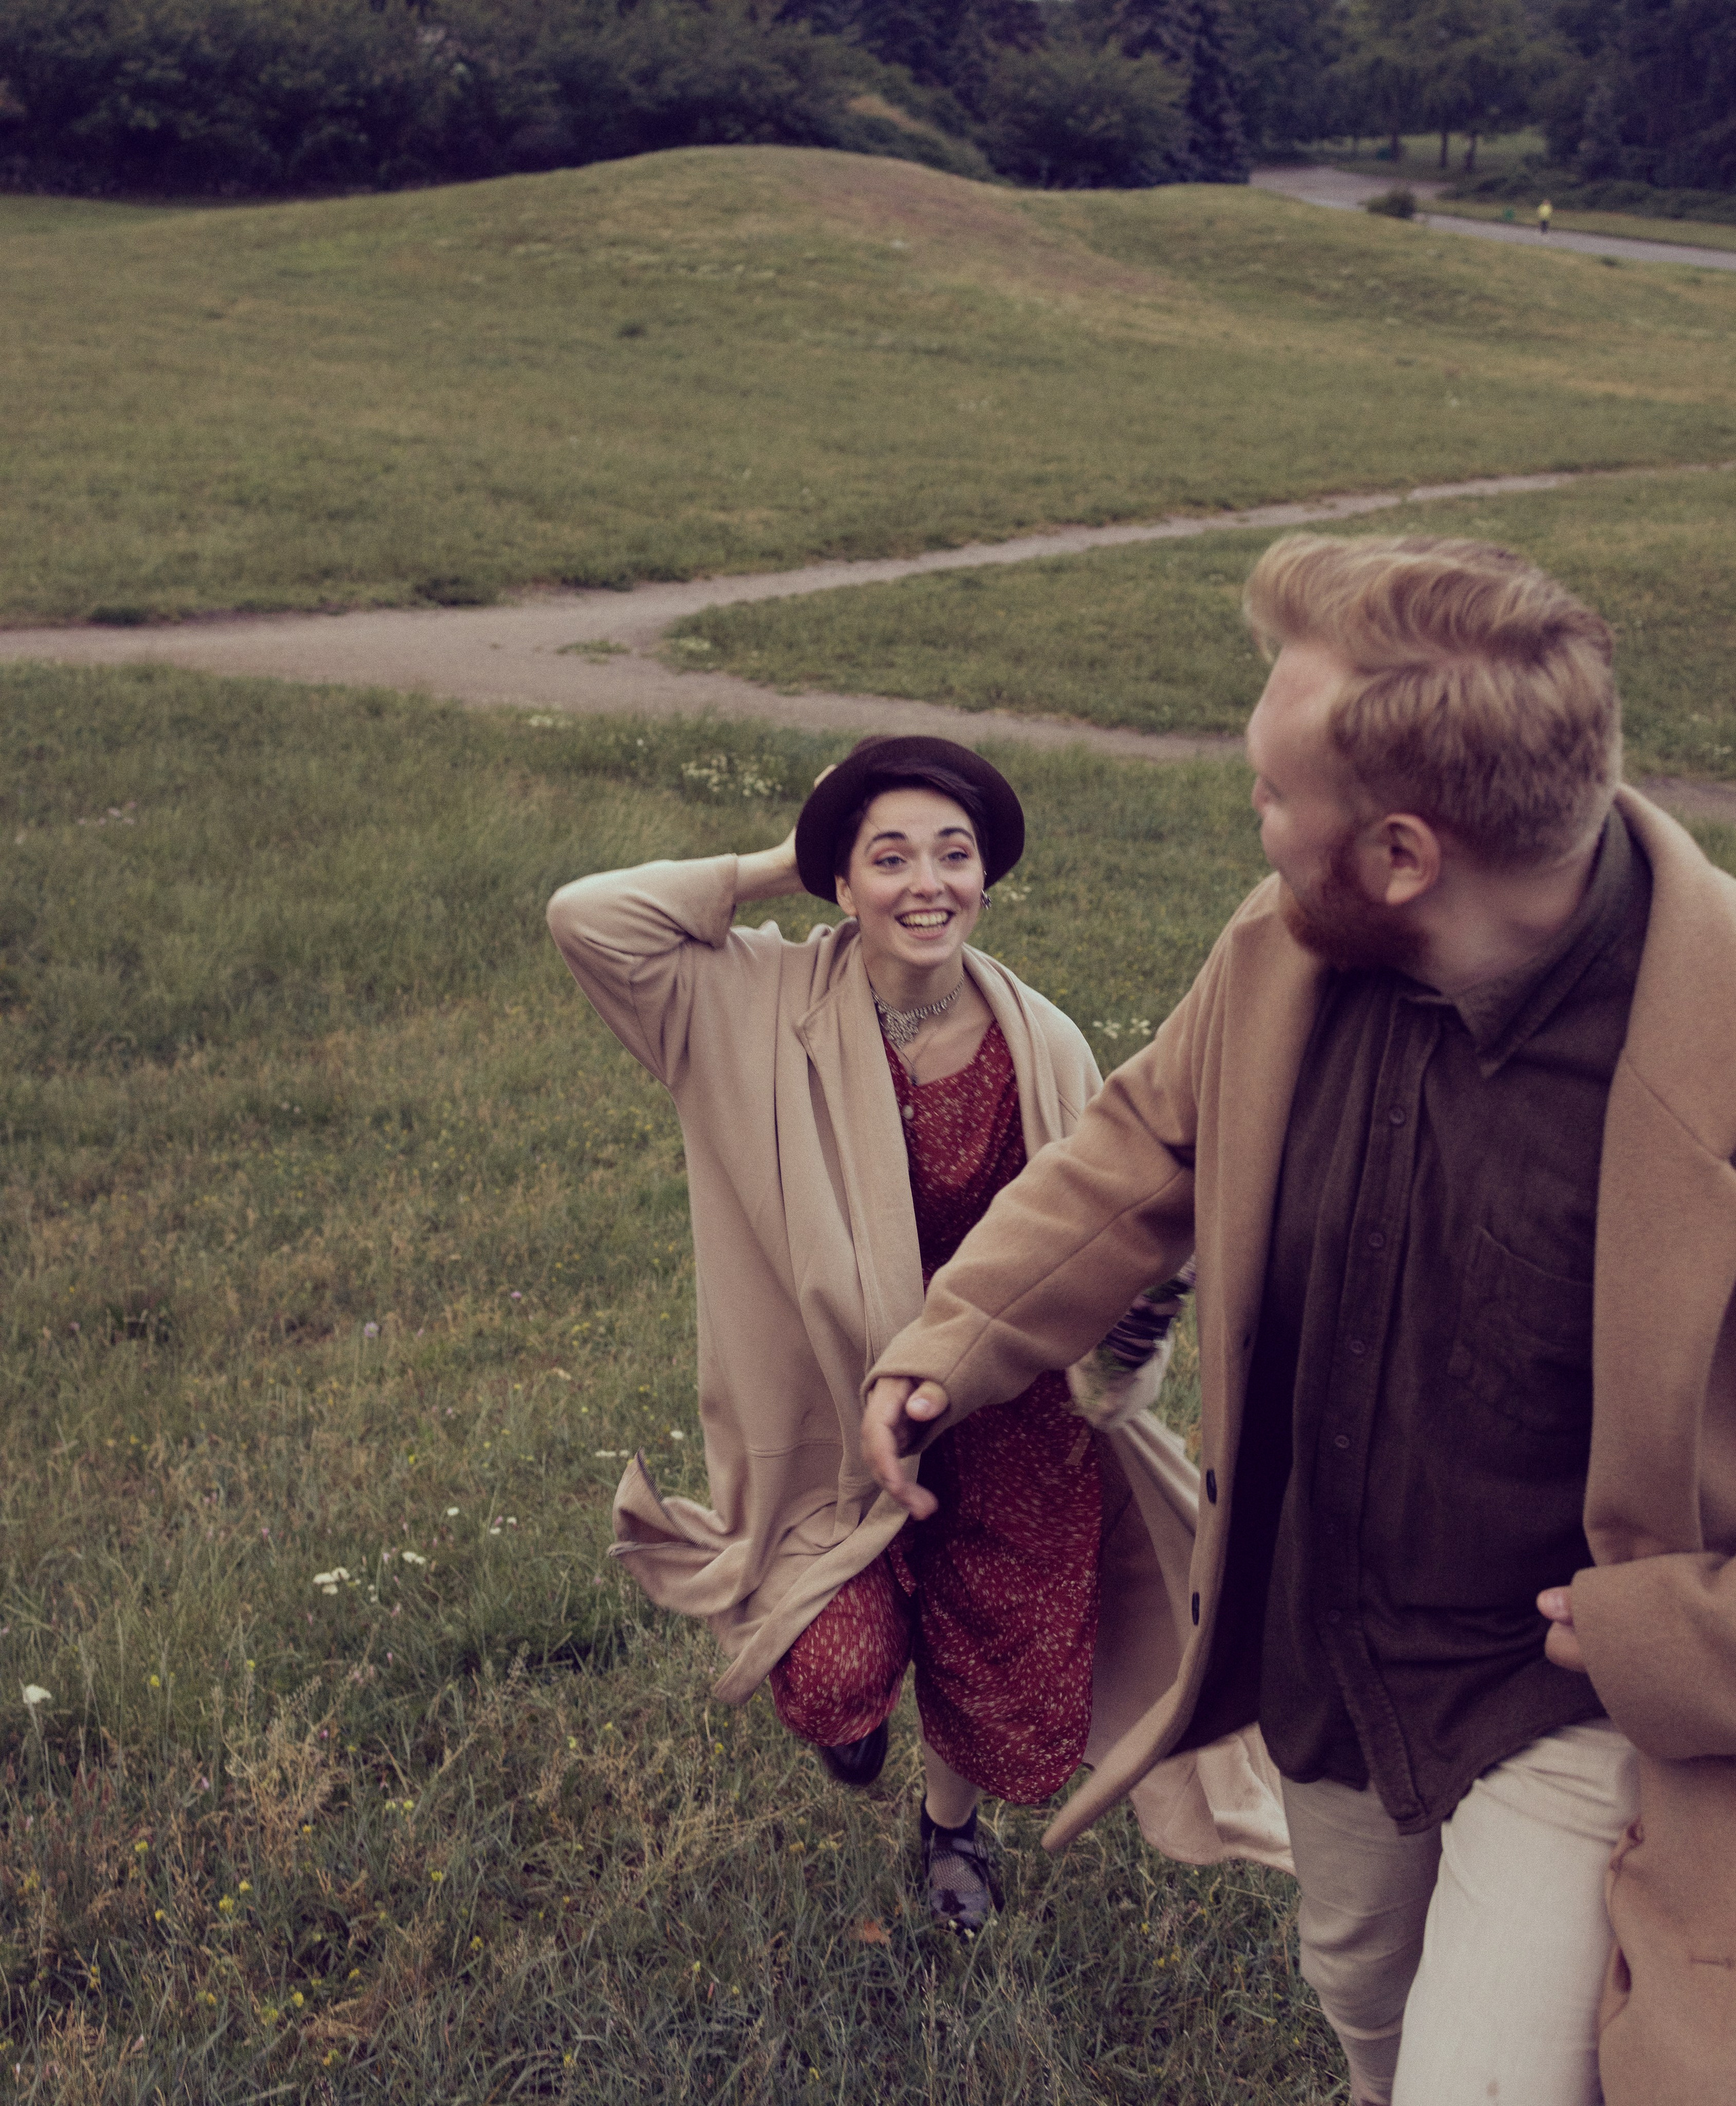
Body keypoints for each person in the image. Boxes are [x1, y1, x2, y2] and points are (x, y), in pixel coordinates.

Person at [862, 539, 1736, 2104]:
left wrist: (1671, 1637)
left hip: (1568, 1701)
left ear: (1402, 852)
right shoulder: (1282, 952)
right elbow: (1138, 1147)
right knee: (1366, 2001)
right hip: (1321, 1650)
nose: (1251, 826)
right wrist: (950, 1339)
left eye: (1273, 796)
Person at [546, 735, 1288, 1934]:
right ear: (840, 882)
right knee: (835, 1669)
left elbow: (1100, 1223)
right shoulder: (744, 1004)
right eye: (887, 859)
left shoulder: (1043, 1040)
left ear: (988, 875)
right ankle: (854, 1724)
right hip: (832, 1416)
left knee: (1001, 1656)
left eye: (954, 854)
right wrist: (782, 859)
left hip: (1004, 1404)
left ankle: (950, 1828)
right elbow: (591, 918)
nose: (927, 883)